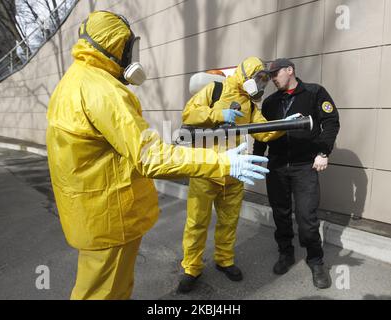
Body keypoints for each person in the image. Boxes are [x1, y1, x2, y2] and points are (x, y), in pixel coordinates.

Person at [45, 11, 269, 300]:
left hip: (93, 210)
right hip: (110, 215)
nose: (131, 58)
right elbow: (151, 156)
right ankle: (192, 267)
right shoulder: (104, 91)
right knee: (101, 291)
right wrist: (222, 158)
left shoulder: (75, 81)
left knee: (114, 288)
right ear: (114, 47)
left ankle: (223, 259)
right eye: (129, 49)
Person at [178, 57, 294, 293]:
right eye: (258, 78)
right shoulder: (216, 88)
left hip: (234, 173)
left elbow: (263, 133)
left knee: (229, 221)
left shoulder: (250, 105)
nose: (261, 84)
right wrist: (218, 115)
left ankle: (224, 260)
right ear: (244, 74)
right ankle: (192, 268)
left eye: (264, 80)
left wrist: (285, 124)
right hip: (206, 170)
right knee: (197, 223)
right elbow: (189, 113)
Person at [253, 58, 340, 289]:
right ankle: (285, 253)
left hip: (304, 166)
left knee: (306, 218)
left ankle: (316, 260)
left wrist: (323, 151)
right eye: (270, 76)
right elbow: (261, 133)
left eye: (275, 74)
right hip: (277, 166)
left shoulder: (314, 93)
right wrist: (258, 158)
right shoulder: (271, 102)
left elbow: (331, 122)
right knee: (280, 213)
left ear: (289, 70)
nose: (272, 79)